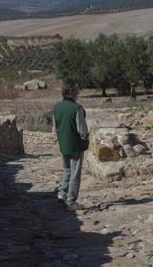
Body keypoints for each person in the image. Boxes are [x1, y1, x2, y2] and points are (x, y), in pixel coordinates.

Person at [53, 80, 89, 211]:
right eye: (77, 90)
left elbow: (55, 127)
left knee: (67, 170)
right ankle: (71, 201)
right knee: (75, 173)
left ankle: (61, 194)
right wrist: (85, 140)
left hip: (63, 144)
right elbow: (82, 130)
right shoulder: (77, 108)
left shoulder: (57, 107)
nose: (78, 92)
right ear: (72, 92)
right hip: (75, 145)